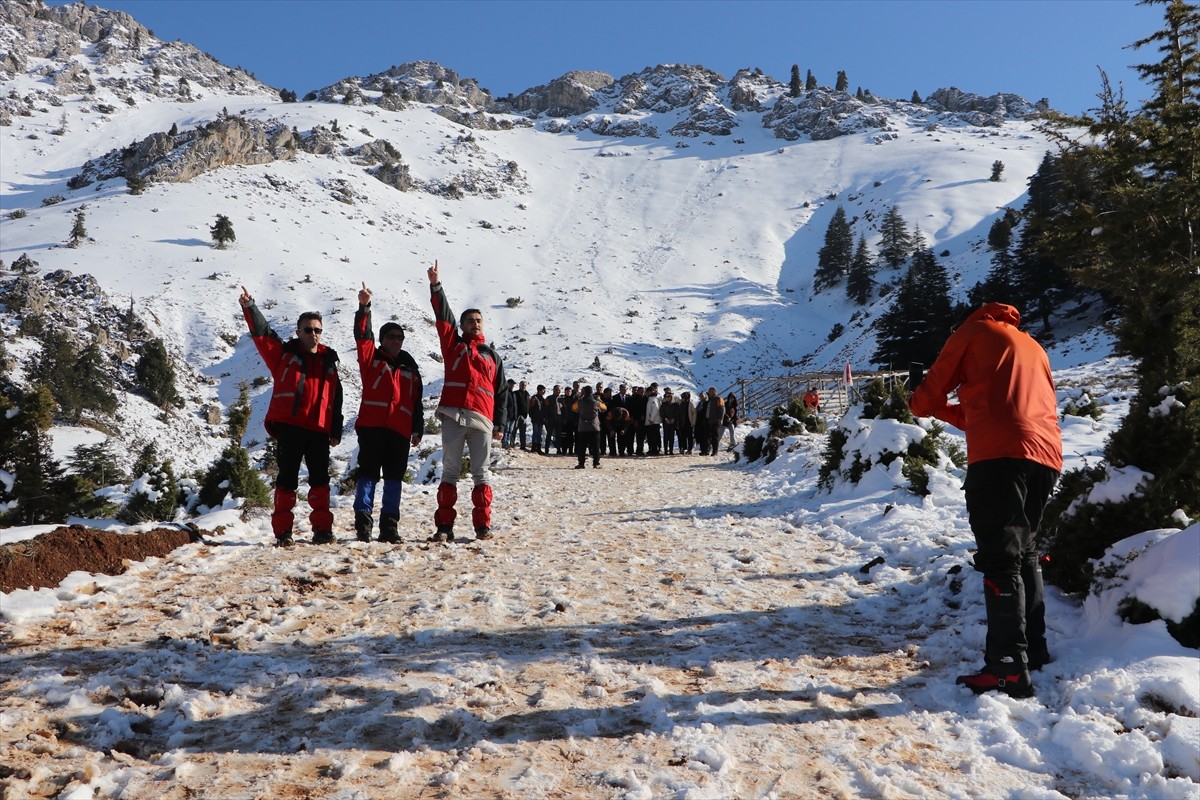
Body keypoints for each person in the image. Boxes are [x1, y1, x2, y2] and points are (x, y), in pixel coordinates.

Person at [909, 302, 1062, 698]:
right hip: (1045, 455)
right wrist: (952, 410)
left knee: (999, 560)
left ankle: (1007, 668)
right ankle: (1035, 649)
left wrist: (920, 398)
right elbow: (992, 410)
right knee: (1025, 551)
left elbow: (925, 400)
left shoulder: (970, 333)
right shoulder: (1032, 345)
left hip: (998, 456)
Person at [239, 286, 343, 547]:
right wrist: (250, 306)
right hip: (290, 427)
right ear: (298, 332)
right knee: (287, 480)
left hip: (318, 429)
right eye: (308, 329)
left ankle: (322, 531)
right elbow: (262, 335)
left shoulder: (329, 360)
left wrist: (336, 428)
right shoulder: (284, 355)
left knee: (320, 480)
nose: (313, 334)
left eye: (317, 330)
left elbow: (336, 397)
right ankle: (283, 533)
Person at [428, 261, 507, 542]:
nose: (475, 324)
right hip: (453, 415)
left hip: (483, 419)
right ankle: (444, 527)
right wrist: (436, 287)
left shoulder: (492, 356)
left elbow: (501, 393)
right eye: (470, 321)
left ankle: (482, 526)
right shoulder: (454, 346)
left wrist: (501, 423)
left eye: (479, 321)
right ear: (461, 326)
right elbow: (443, 318)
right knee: (449, 471)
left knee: (481, 473)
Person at [351, 283, 423, 543]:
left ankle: (390, 526)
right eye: (390, 336)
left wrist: (418, 427)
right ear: (382, 340)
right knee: (368, 474)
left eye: (399, 337)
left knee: (394, 478)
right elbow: (362, 336)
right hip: (372, 427)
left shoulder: (410, 367)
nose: (395, 340)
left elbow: (416, 401)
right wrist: (364, 308)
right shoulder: (372, 359)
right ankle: (363, 523)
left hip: (400, 431)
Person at [572, 384, 607, 469]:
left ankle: (581, 463)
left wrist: (580, 399)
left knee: (582, 447)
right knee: (595, 447)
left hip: (583, 427)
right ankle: (596, 463)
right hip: (594, 427)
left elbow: (573, 408)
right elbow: (604, 408)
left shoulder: (580, 402)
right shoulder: (596, 402)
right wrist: (599, 400)